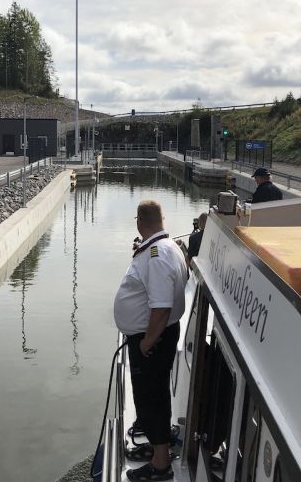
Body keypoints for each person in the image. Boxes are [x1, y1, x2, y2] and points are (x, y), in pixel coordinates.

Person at [114, 200, 188, 481]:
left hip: (153, 340)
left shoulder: (156, 255)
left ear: (139, 223)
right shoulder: (170, 248)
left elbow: (161, 307)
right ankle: (159, 444)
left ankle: (160, 464)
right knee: (154, 395)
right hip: (159, 336)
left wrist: (146, 342)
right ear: (162, 219)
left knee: (151, 397)